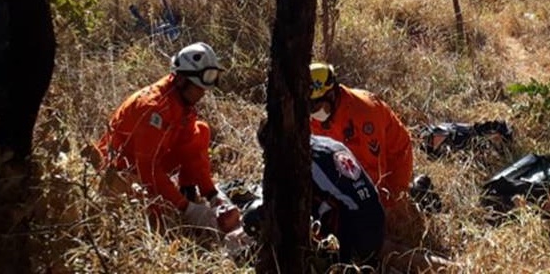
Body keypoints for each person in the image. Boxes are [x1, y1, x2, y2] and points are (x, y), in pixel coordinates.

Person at [96, 42, 237, 232]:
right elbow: (148, 168)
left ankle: (188, 191)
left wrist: (212, 194)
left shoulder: (182, 103)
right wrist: (187, 209)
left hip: (149, 162)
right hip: (121, 170)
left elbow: (190, 147)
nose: (203, 93)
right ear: (181, 80)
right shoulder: (152, 108)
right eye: (198, 87)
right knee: (159, 217)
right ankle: (180, 202)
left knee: (200, 131)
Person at [234, 134, 386, 265]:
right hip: (375, 221)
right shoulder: (324, 143)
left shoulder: (306, 163)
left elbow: (290, 204)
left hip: (357, 238)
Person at [308, 62, 413, 209]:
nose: (313, 114)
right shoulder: (316, 114)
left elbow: (375, 173)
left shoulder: (363, 115)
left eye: (316, 107)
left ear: (331, 94)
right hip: (349, 160)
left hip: (391, 164)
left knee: (378, 209)